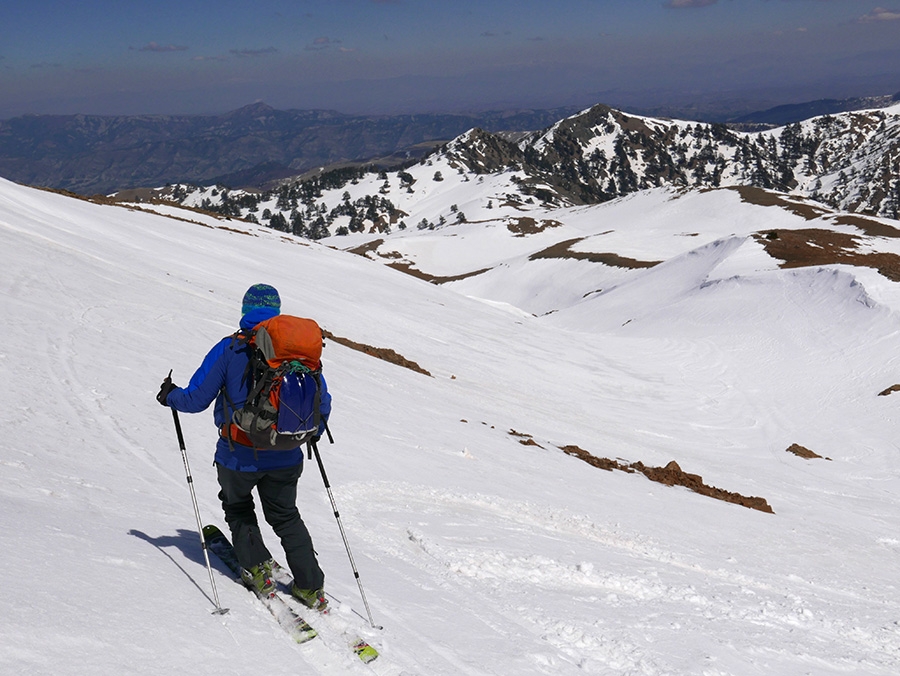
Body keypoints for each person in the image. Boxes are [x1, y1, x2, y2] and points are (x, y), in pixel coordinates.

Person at [156, 283, 331, 610]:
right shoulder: (298, 354)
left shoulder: (230, 349)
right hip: (287, 455)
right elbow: (323, 406)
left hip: (238, 454)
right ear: (277, 311)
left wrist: (170, 395)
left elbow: (195, 400)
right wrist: (307, 433)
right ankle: (311, 587)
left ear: (245, 311)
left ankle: (257, 567)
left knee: (238, 508)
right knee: (286, 516)